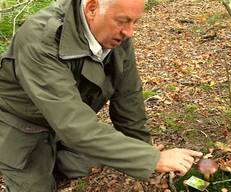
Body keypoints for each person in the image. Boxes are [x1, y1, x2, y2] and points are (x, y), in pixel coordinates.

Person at [0, 0, 202, 191]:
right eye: (123, 21)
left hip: (64, 121)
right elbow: (74, 125)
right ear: (92, 8)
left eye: (135, 22)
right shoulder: (41, 39)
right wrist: (152, 159)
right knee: (34, 185)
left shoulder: (116, 34)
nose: (130, 32)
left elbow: (128, 98)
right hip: (20, 125)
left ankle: (53, 168)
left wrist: (145, 152)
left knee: (104, 160)